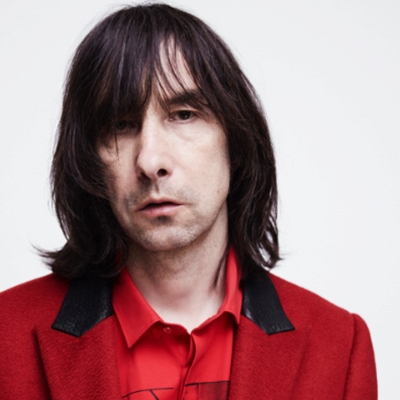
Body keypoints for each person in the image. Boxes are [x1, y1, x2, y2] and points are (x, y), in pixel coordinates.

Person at [0, 3, 377, 399]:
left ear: (236, 140)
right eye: (120, 125)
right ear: (89, 160)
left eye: (183, 114)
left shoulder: (339, 346)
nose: (150, 161)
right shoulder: (7, 337)